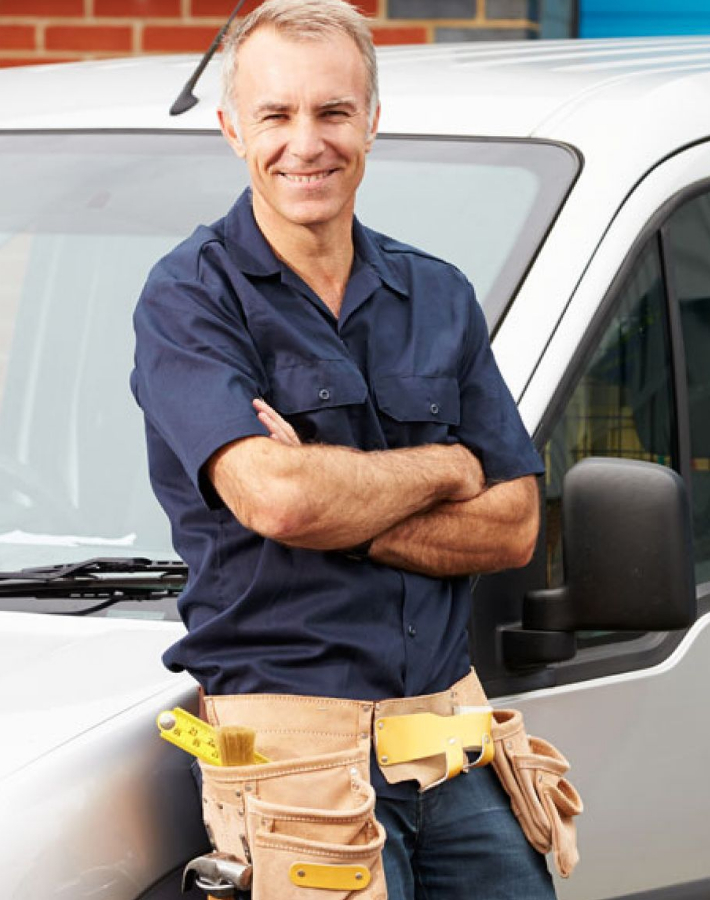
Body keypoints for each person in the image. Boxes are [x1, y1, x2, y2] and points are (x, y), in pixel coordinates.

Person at [128, 0, 559, 896]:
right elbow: (279, 501)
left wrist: (335, 503)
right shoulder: (190, 299)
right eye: (276, 115)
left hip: (450, 736)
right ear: (231, 129)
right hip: (290, 756)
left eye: (332, 112)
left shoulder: (437, 295)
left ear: (371, 120)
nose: (306, 143)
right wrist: (446, 469)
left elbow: (514, 525)